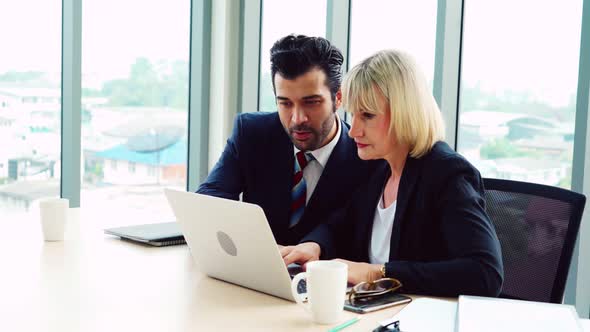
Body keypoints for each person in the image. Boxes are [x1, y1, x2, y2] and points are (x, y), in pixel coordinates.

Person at [281, 50, 504, 297]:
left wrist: (375, 273)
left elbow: (485, 273)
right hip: (371, 312)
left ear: (404, 113)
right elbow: (342, 222)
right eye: (353, 115)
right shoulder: (380, 169)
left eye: (367, 116)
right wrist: (314, 246)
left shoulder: (447, 174)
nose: (353, 131)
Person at [197, 35, 377, 245]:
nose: (297, 119)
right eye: (285, 103)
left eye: (311, 103)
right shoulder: (252, 133)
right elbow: (210, 196)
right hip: (255, 270)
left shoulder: (366, 159)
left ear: (338, 98)